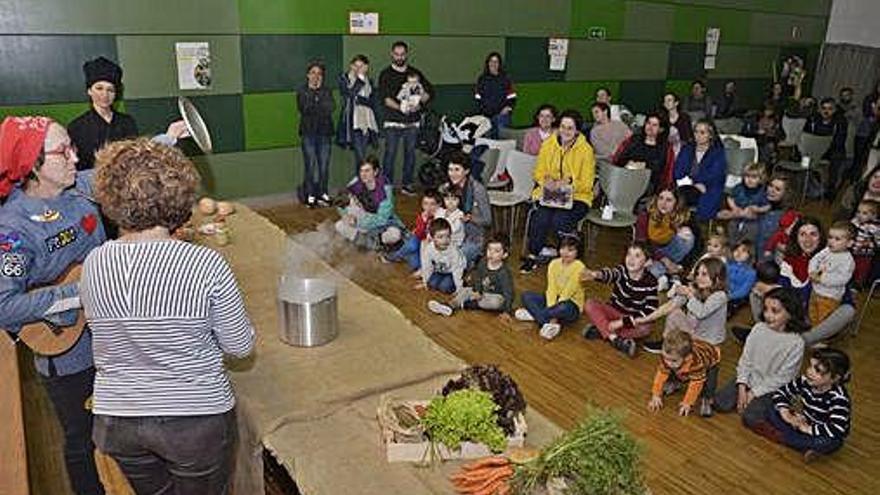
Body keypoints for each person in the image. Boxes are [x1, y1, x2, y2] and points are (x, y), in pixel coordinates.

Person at [0, 116, 185, 495]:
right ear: (32, 165)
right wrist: (78, 293)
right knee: (81, 438)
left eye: (72, 146)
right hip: (65, 351)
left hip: (110, 335)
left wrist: (167, 137)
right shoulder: (12, 230)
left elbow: (122, 168)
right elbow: (5, 307)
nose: (75, 156)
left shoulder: (81, 189)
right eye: (62, 151)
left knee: (126, 423)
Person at [83, 138, 255, 495]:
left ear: (110, 195)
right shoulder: (205, 263)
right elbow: (239, 347)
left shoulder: (95, 262)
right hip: (196, 423)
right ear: (180, 193)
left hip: (118, 422)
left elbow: (102, 330)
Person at [714, 287, 806, 427]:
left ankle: (784, 409)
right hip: (751, 379)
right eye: (766, 309)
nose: (768, 315)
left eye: (775, 311)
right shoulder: (758, 329)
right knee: (720, 403)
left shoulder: (796, 343)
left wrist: (752, 394)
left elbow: (783, 378)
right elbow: (745, 361)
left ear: (790, 313)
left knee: (750, 418)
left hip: (773, 388)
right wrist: (742, 386)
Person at [520, 110, 595, 274]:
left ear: (577, 131)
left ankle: (568, 257)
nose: (565, 131)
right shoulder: (548, 144)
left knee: (560, 219)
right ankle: (534, 254)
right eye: (562, 127)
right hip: (550, 193)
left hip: (577, 196)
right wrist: (546, 181)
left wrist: (568, 183)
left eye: (570, 128)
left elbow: (587, 184)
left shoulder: (586, 150)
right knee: (540, 217)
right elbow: (538, 172)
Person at [758, 348, 852, 462]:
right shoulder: (805, 381)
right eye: (810, 366)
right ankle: (800, 444)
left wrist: (808, 429)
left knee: (832, 442)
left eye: (817, 370)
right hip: (803, 421)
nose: (810, 372)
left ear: (835, 378)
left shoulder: (838, 399)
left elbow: (837, 428)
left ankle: (787, 438)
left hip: (821, 431)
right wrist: (787, 415)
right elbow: (781, 392)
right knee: (772, 407)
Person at [580, 243, 660, 357]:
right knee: (590, 304)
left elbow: (650, 309)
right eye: (629, 254)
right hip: (614, 312)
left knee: (646, 327)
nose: (631, 259)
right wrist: (595, 274)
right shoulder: (622, 271)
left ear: (647, 262)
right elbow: (610, 274)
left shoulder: (651, 282)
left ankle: (601, 329)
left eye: (637, 256)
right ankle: (615, 339)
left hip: (632, 319)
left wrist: (622, 322)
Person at [643, 257, 728, 357]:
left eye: (704, 274)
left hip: (708, 341)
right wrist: (646, 318)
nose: (699, 277)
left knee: (689, 315)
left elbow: (701, 313)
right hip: (696, 330)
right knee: (674, 313)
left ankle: (685, 347)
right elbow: (672, 305)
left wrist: (689, 294)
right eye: (697, 274)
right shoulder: (698, 289)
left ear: (717, 278)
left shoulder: (720, 296)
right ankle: (667, 343)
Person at [379, 41, 433, 194]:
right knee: (390, 154)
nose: (399, 57)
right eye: (396, 54)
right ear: (391, 54)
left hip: (412, 123)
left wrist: (419, 103)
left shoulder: (415, 74)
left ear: (407, 54)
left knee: (410, 154)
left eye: (402, 54)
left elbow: (429, 92)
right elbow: (385, 99)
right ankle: (386, 187)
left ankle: (407, 184)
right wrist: (401, 107)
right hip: (392, 122)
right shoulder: (386, 74)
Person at [68, 57, 138, 172]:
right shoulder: (76, 127)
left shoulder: (127, 122)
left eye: (110, 90)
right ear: (89, 91)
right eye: (99, 88)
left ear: (115, 94)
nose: (105, 95)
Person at [427, 232, 515, 319]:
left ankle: (471, 304)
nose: (491, 253)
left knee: (496, 302)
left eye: (496, 251)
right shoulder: (483, 262)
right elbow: (478, 277)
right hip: (482, 292)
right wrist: (477, 290)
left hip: (494, 296)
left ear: (505, 254)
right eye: (489, 249)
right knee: (465, 291)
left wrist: (507, 311)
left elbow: (509, 292)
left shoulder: (504, 273)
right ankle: (450, 305)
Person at [515, 235, 585, 340]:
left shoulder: (580, 267)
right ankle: (548, 321)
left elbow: (567, 292)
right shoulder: (553, 264)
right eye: (563, 248)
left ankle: (537, 316)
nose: (565, 253)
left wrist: (553, 312)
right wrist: (551, 309)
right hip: (553, 301)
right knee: (526, 295)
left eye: (570, 250)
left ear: (578, 252)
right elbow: (551, 288)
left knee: (563, 307)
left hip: (570, 304)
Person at [335, 156, 405, 250]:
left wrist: (358, 222)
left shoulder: (384, 189)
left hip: (381, 225)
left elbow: (382, 219)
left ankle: (367, 241)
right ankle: (371, 243)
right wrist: (345, 215)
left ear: (375, 172)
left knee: (395, 234)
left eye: (367, 171)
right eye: (361, 171)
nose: (363, 174)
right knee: (339, 226)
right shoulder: (356, 182)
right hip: (364, 218)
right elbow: (340, 202)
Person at [647, 329, 721, 418]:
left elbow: (696, 384)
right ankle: (675, 382)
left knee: (709, 382)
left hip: (712, 359)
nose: (668, 362)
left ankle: (707, 399)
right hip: (686, 359)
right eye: (665, 358)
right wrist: (656, 395)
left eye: (673, 360)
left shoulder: (696, 363)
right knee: (673, 369)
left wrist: (687, 403)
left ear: (687, 358)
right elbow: (661, 374)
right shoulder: (668, 357)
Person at [636, 187, 696, 284]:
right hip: (650, 253)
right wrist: (665, 260)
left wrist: (682, 266)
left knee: (688, 236)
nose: (663, 203)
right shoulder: (645, 216)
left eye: (669, 200)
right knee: (652, 270)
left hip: (672, 253)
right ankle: (669, 274)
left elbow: (697, 246)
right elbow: (641, 244)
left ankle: (672, 271)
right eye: (661, 198)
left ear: (676, 203)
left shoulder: (682, 216)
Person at [672, 119, 727, 222]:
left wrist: (699, 183)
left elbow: (715, 174)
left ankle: (696, 226)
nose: (698, 135)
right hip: (685, 185)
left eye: (702, 132)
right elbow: (678, 170)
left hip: (709, 186)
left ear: (710, 135)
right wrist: (692, 183)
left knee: (704, 205)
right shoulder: (687, 149)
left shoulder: (717, 153)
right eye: (696, 132)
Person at [297, 60, 335, 207]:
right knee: (310, 165)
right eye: (313, 73)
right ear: (307, 75)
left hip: (325, 133)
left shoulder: (327, 91)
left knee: (324, 166)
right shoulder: (302, 91)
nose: (316, 76)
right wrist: (314, 94)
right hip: (308, 134)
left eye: (319, 73)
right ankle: (310, 194)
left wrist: (318, 95)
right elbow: (305, 109)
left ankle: (323, 193)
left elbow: (330, 108)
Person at [444, 150, 491, 266]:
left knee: (452, 261)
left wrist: (470, 218)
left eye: (457, 170)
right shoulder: (446, 188)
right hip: (453, 234)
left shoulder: (478, 190)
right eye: (450, 169)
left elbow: (488, 220)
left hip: (473, 237)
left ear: (466, 171)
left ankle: (473, 259)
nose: (452, 174)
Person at [337, 54, 378, 175]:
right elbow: (349, 94)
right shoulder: (344, 78)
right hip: (352, 122)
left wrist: (359, 99)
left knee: (362, 156)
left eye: (361, 66)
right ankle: (360, 185)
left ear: (366, 67)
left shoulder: (369, 81)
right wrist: (359, 80)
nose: (358, 69)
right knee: (360, 157)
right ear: (351, 66)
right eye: (355, 66)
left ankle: (361, 185)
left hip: (366, 121)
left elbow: (372, 101)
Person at [807, 221, 855, 325]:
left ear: (849, 243)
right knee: (812, 315)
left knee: (824, 320)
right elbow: (815, 259)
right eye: (830, 237)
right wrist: (812, 271)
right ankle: (813, 331)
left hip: (830, 297)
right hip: (815, 291)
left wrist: (821, 279)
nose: (831, 241)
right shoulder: (827, 250)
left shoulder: (847, 260)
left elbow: (842, 279)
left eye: (837, 239)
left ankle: (822, 338)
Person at [612, 113, 674, 192]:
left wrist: (645, 165)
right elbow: (618, 159)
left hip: (649, 185)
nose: (650, 127)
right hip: (625, 178)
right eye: (648, 123)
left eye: (654, 125)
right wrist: (629, 162)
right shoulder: (633, 140)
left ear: (661, 129)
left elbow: (663, 171)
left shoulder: (665, 148)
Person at [382, 189, 439, 271]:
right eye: (425, 204)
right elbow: (419, 234)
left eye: (432, 204)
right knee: (412, 246)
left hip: (429, 248)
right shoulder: (422, 216)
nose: (428, 207)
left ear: (439, 205)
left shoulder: (440, 217)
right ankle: (394, 256)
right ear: (422, 205)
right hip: (419, 241)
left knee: (415, 263)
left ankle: (402, 252)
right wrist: (424, 220)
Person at [803, 98, 848, 198]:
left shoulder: (840, 121)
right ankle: (805, 185)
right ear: (819, 109)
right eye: (824, 108)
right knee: (803, 159)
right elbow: (806, 136)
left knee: (836, 158)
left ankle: (830, 191)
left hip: (831, 151)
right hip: (813, 150)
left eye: (830, 109)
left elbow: (839, 141)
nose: (826, 111)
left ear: (835, 110)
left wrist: (823, 150)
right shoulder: (813, 119)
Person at [719, 161, 770, 244]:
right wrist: (734, 207)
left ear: (761, 179)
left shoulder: (762, 191)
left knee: (752, 231)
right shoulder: (739, 187)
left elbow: (768, 206)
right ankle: (733, 246)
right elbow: (730, 198)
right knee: (731, 226)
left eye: (754, 177)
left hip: (753, 219)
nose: (749, 179)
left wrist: (758, 209)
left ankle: (745, 246)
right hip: (737, 215)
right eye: (747, 176)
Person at [417, 217, 466, 295]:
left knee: (445, 287)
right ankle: (442, 280)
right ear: (433, 238)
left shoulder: (453, 251)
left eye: (448, 236)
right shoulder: (429, 249)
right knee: (432, 284)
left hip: (452, 271)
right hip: (440, 270)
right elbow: (427, 266)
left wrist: (459, 288)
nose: (445, 240)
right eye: (440, 237)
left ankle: (463, 281)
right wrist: (425, 281)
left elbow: (457, 270)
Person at [474, 52, 516, 138]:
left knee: (503, 140)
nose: (493, 64)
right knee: (488, 142)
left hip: (502, 116)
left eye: (496, 61)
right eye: (491, 61)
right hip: (486, 116)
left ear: (499, 64)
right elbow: (478, 97)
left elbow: (512, 96)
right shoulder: (482, 79)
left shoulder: (505, 78)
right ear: (488, 63)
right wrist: (482, 111)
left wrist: (507, 108)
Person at [850, 199, 879, 287]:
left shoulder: (874, 228)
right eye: (858, 212)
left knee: (861, 269)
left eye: (864, 213)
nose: (860, 215)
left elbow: (878, 242)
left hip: (865, 254)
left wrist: (870, 244)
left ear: (874, 216)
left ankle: (857, 285)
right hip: (852, 249)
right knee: (850, 266)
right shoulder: (855, 221)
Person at [727, 240, 757, 312]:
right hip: (723, 293)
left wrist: (728, 297)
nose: (738, 253)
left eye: (743, 251)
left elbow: (743, 291)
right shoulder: (728, 265)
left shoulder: (751, 273)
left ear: (750, 255)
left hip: (737, 300)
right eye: (736, 250)